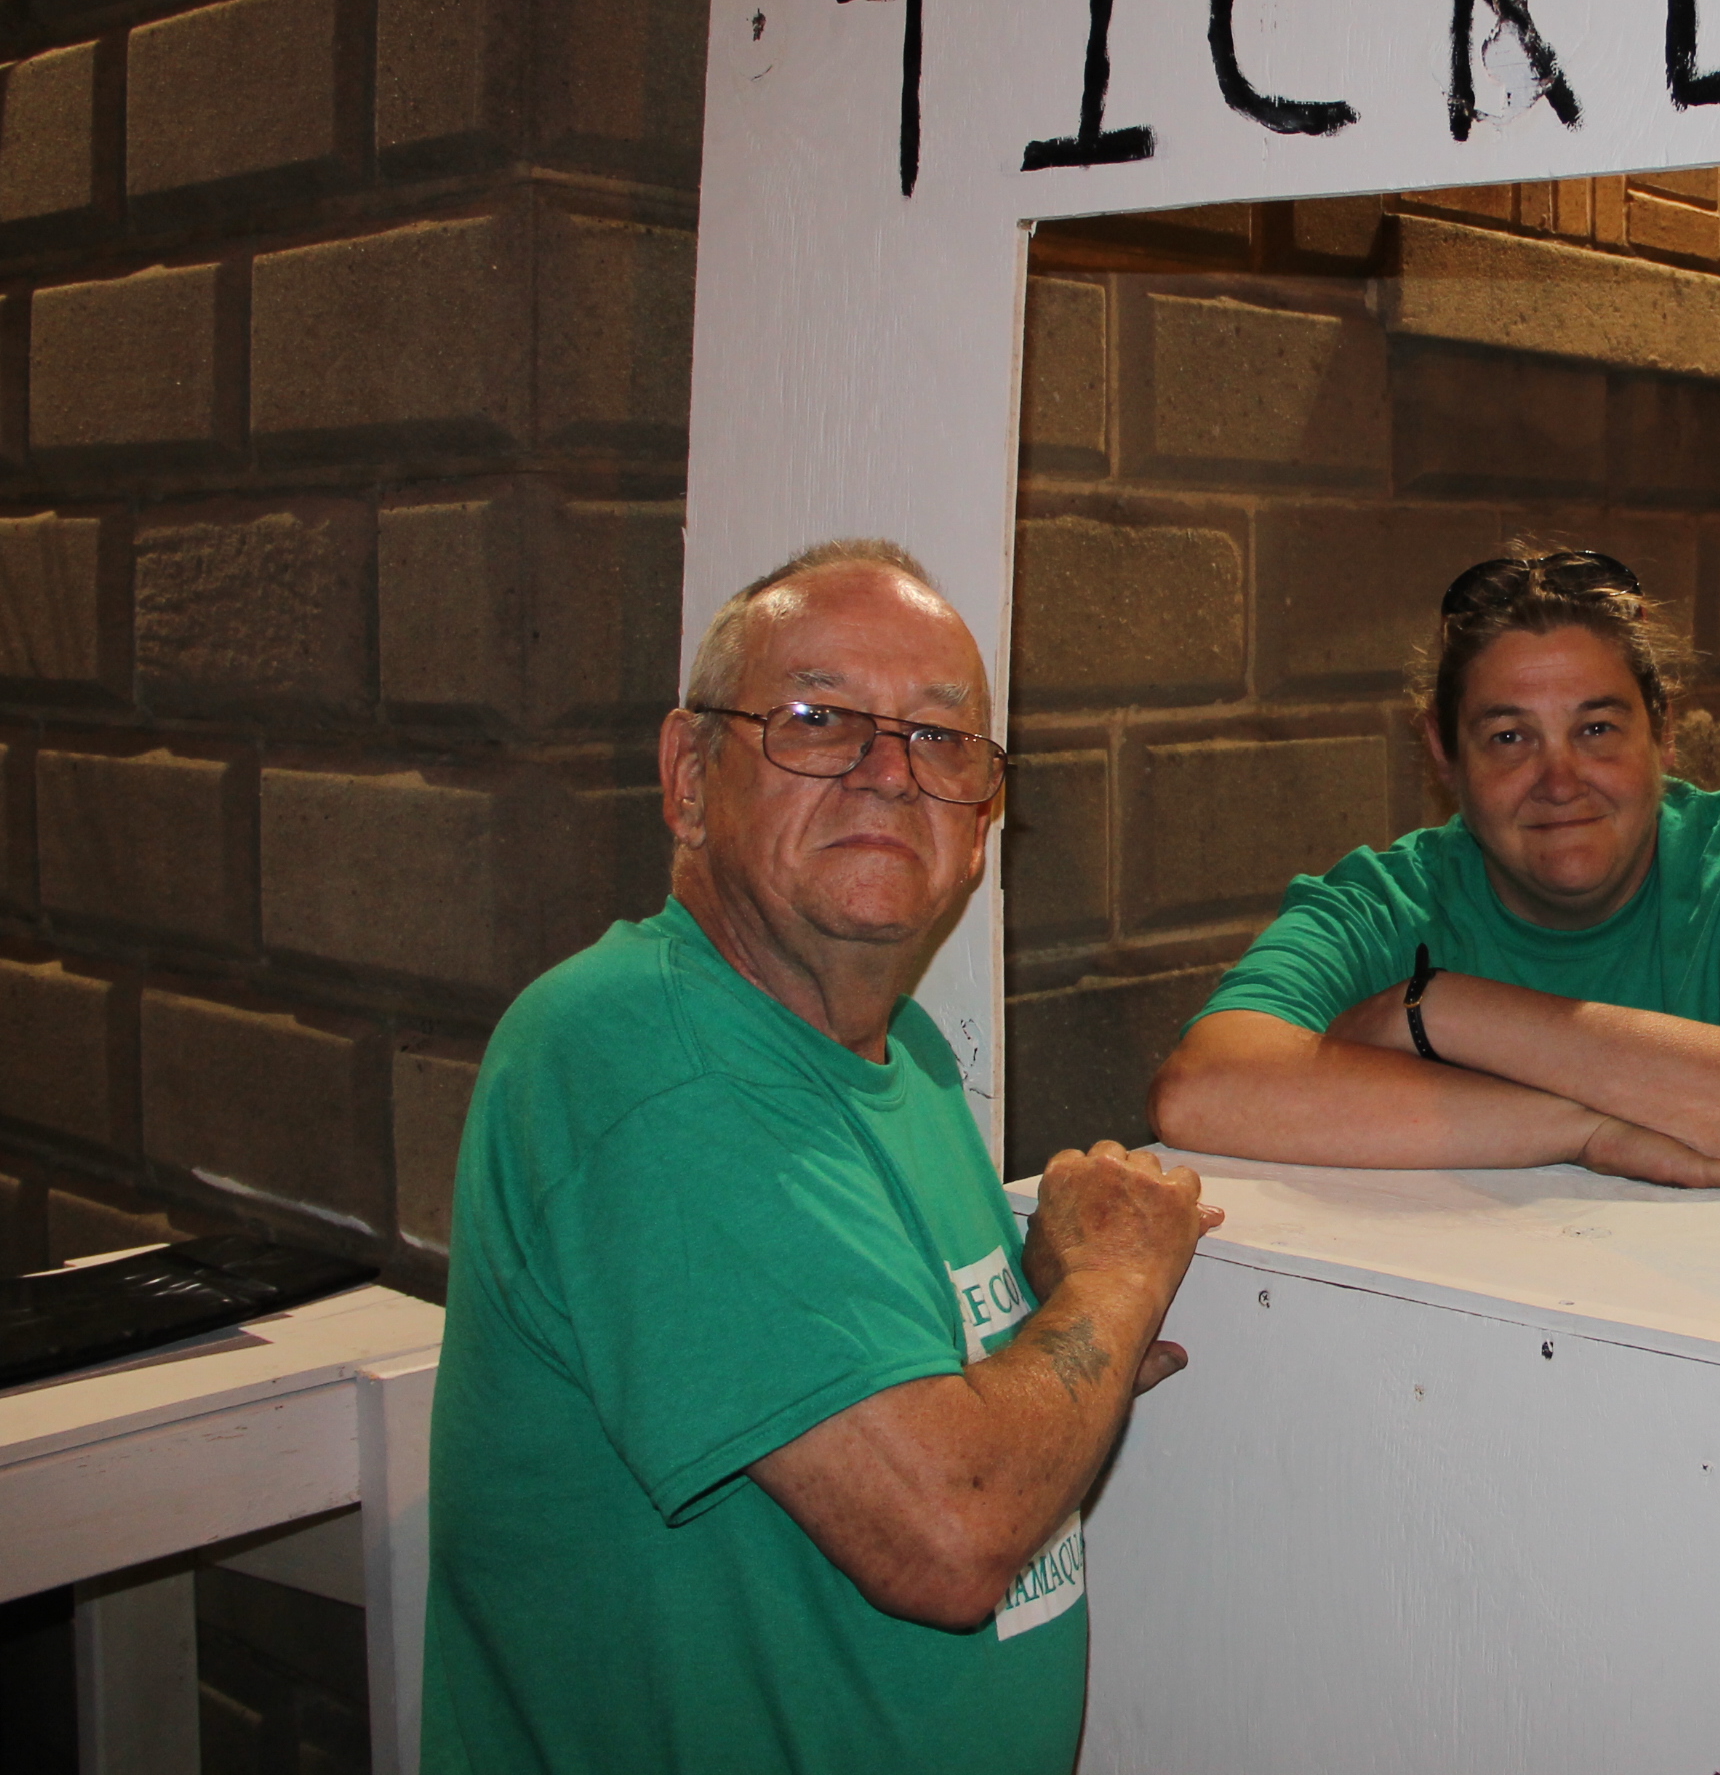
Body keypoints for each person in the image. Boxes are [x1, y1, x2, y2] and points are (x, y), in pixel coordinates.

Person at [423, 539, 1216, 1774]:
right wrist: (1113, 1283)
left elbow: (921, 1395)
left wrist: (1059, 1357)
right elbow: (950, 1531)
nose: (889, 772)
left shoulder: (905, 1055)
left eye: (940, 738)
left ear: (981, 823)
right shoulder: (640, 1054)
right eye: (818, 719)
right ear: (690, 777)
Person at [1149, 547, 1720, 1208]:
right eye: (1510, 737)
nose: (1560, 780)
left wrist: (1437, 1008)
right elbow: (1200, 1091)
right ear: (1444, 753)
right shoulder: (1386, 901)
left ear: (1664, 731)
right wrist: (1587, 1132)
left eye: (1596, 729)